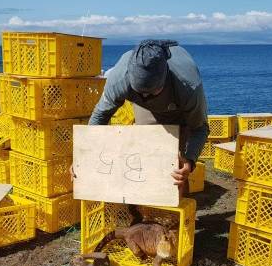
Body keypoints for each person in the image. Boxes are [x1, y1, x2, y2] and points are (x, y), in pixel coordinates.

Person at [87, 39, 209, 192]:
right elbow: (100, 116)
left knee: (175, 165)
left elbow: (200, 128)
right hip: (145, 107)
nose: (145, 95)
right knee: (146, 155)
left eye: (151, 92)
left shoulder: (188, 86)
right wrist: (84, 156)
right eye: (140, 91)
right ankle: (148, 206)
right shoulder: (119, 78)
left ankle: (179, 206)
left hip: (178, 110)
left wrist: (189, 161)